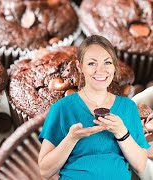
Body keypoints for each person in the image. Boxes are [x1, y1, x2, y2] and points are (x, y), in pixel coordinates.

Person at [38, 35, 150, 180]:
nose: (100, 70)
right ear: (80, 67)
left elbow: (141, 166)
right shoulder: (62, 108)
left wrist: (122, 132)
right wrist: (71, 138)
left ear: (114, 66)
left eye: (107, 63)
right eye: (92, 63)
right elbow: (45, 171)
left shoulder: (128, 107)